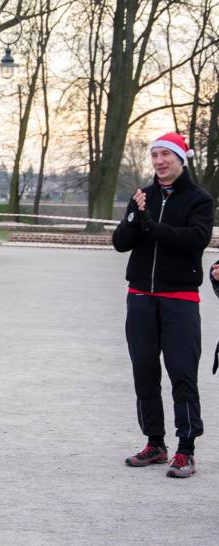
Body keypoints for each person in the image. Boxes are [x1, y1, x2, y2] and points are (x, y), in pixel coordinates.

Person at [112, 132, 212, 479]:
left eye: (166, 155)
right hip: (140, 297)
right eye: (154, 155)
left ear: (180, 159)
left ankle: (186, 450)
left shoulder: (199, 199)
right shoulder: (144, 196)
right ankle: (155, 443)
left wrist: (154, 227)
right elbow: (120, 243)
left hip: (179, 299)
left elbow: (196, 239)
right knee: (144, 371)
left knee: (182, 373)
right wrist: (134, 217)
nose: (159, 161)